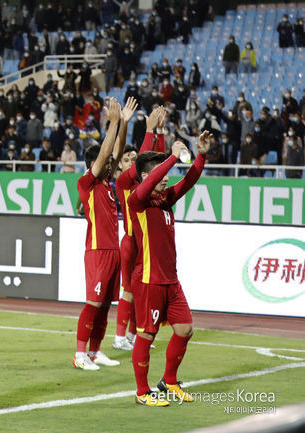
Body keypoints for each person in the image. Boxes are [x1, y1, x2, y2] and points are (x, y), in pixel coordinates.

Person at [128, 131, 212, 407]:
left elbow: (188, 182)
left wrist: (200, 155)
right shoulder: (136, 201)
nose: (166, 177)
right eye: (159, 173)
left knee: (185, 329)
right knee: (146, 334)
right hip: (149, 280)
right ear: (144, 177)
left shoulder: (164, 201)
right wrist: (173, 156)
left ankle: (169, 381)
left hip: (171, 281)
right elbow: (150, 181)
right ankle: (142, 391)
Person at [73, 97, 137, 371]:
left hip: (112, 252)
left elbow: (117, 149)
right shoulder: (87, 182)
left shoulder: (108, 185)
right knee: (93, 303)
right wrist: (111, 123)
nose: (112, 164)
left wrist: (123, 123)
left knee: (105, 306)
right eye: (107, 161)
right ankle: (79, 354)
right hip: (97, 251)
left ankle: (95, 351)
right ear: (93, 163)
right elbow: (104, 157)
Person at [112, 107, 165, 351]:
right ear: (119, 166)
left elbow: (157, 164)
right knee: (129, 291)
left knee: (142, 291)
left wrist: (160, 133)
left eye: (134, 159)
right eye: (127, 160)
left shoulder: (144, 181)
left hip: (147, 243)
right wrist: (148, 131)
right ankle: (119, 336)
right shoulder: (123, 182)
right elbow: (145, 162)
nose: (132, 163)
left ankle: (134, 335)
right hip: (132, 242)